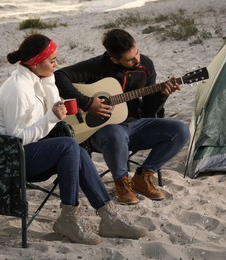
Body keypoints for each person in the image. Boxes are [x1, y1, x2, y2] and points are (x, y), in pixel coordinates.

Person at [0, 34, 147, 245]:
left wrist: (50, 80)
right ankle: (69, 218)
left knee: (76, 150)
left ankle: (108, 217)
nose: (57, 64)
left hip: (30, 151)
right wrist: (51, 117)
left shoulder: (37, 80)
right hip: (6, 159)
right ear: (35, 62)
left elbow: (52, 107)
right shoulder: (18, 89)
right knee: (69, 146)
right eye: (52, 61)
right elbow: (17, 138)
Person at [55, 29, 190, 205]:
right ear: (114, 59)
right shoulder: (97, 66)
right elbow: (59, 76)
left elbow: (149, 111)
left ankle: (143, 176)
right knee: (115, 132)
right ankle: (122, 183)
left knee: (180, 130)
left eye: (137, 53)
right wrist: (87, 103)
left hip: (136, 126)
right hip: (102, 133)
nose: (137, 60)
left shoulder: (146, 66)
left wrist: (162, 95)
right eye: (130, 59)